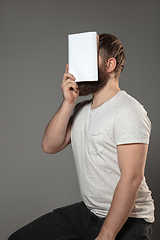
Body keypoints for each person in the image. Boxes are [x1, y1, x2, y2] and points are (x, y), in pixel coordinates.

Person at [8, 33, 154, 240]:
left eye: (87, 60)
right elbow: (50, 145)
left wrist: (106, 236)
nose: (76, 70)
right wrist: (68, 102)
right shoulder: (81, 110)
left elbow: (132, 178)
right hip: (89, 212)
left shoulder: (128, 111)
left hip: (130, 220)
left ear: (109, 65)